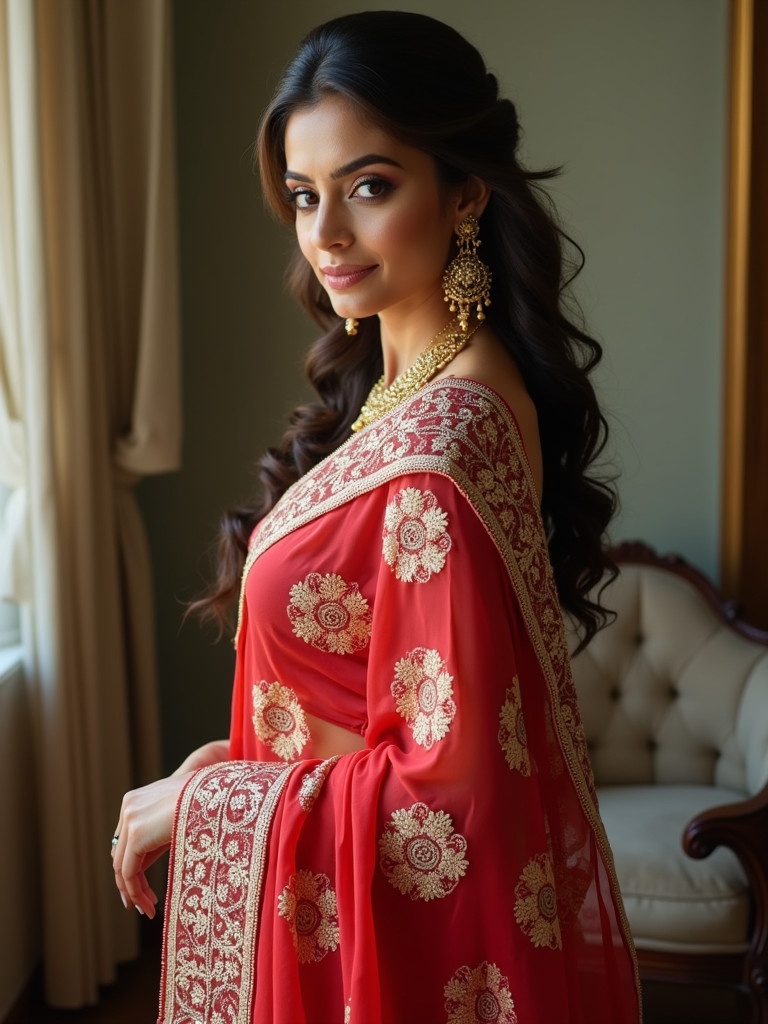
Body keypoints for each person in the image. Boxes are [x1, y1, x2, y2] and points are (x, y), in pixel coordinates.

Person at [112, 12, 641, 1023]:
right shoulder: (406, 391)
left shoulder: (440, 450)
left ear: (465, 191)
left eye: (369, 186)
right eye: (305, 197)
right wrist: (230, 765)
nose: (326, 235)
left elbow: (444, 801)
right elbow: (361, 701)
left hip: (375, 972)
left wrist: (209, 806)